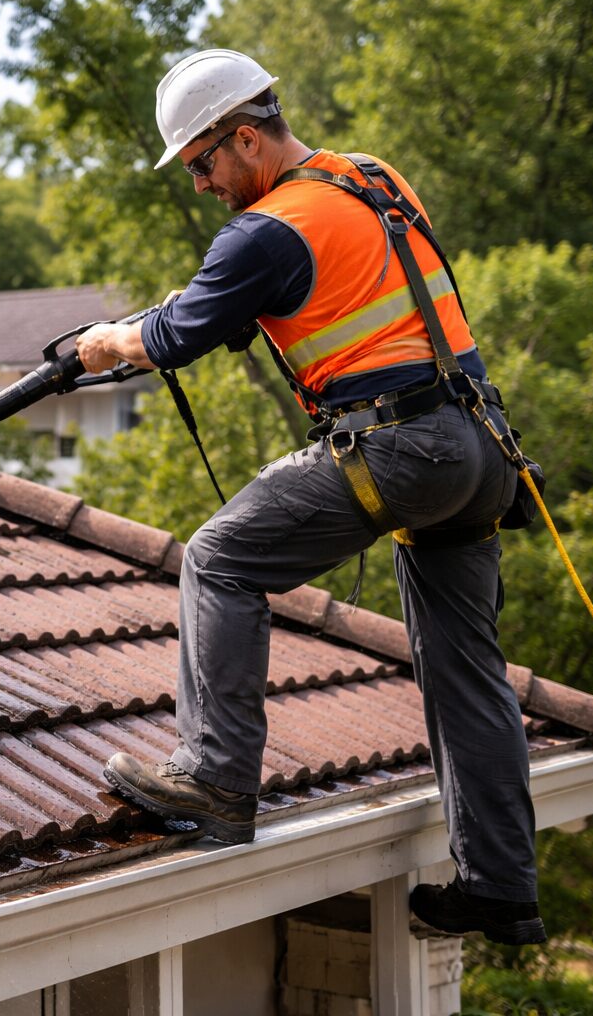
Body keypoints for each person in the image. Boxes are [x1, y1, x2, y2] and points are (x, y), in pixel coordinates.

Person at [74, 49, 545, 946]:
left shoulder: (263, 233)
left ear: (245, 137)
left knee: (219, 558)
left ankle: (216, 781)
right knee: (463, 666)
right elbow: (318, 285)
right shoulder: (370, 177)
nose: (203, 183)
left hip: (402, 446)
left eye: (204, 163)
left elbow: (175, 336)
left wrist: (107, 343)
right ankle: (501, 889)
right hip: (481, 450)